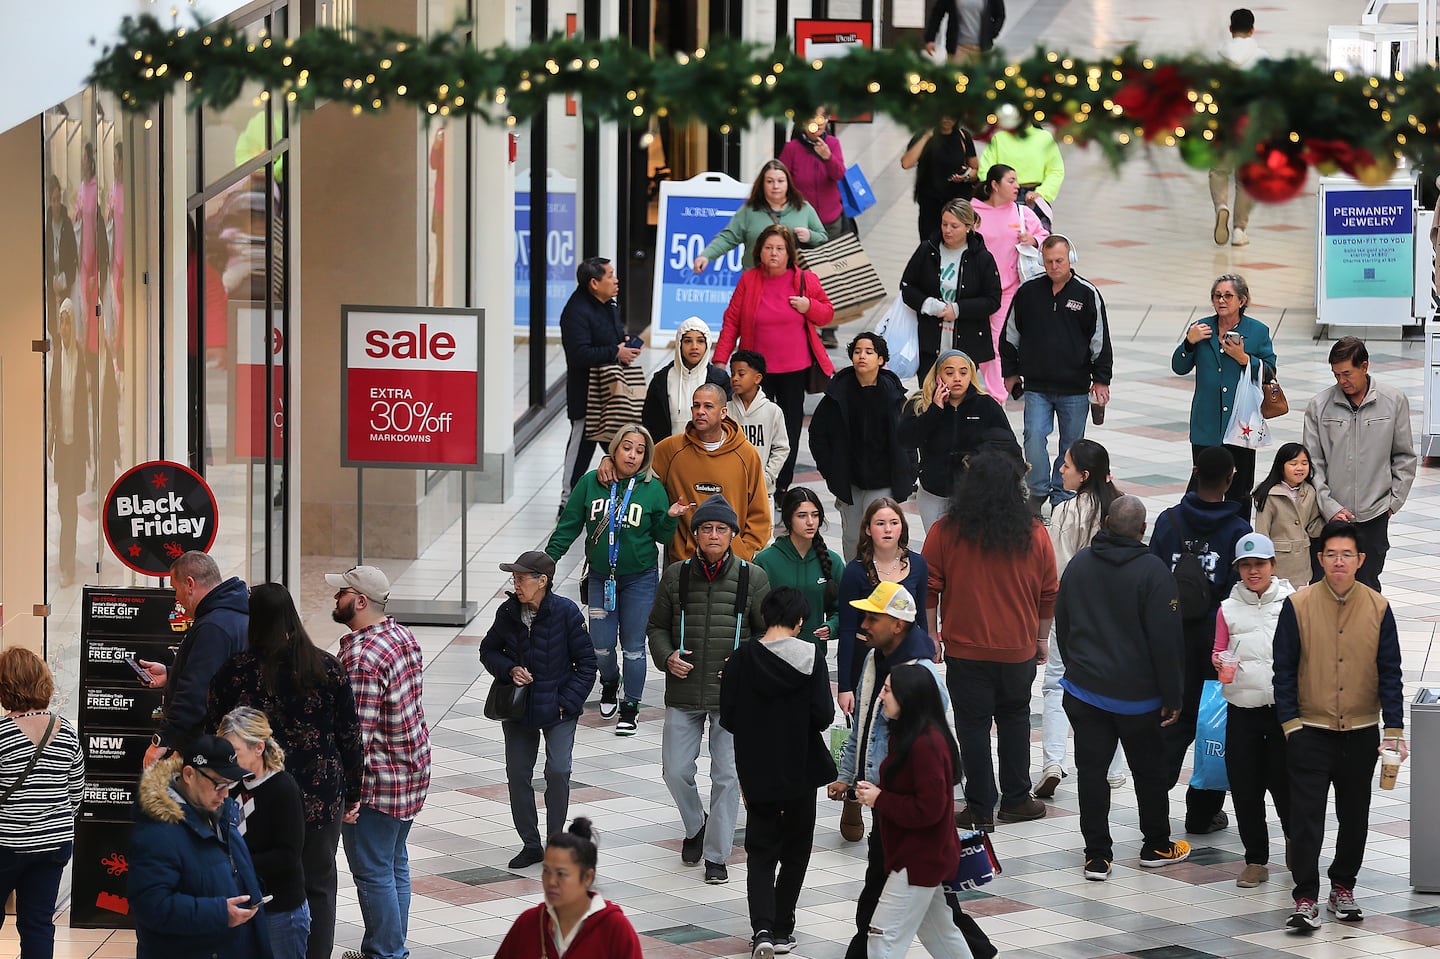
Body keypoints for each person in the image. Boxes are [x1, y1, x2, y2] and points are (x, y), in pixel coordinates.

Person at [829, 584, 994, 959]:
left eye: (873, 617)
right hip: (898, 823)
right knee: (940, 926)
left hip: (910, 835)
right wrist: (849, 775)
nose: (864, 623)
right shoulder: (876, 662)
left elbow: (931, 805)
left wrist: (881, 796)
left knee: (882, 929)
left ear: (899, 625)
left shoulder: (921, 687)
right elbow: (863, 726)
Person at [206, 583, 363, 959]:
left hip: (254, 798)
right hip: (319, 796)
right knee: (319, 884)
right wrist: (354, 793)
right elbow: (350, 737)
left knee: (253, 877)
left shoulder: (235, 672)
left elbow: (214, 732)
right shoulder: (325, 666)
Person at [1274, 521, 1406, 932]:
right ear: (1320, 558)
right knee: (1306, 817)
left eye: (1346, 555)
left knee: (1355, 815)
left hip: (1361, 731)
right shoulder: (1298, 606)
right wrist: (1291, 724)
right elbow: (1283, 670)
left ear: (1360, 560)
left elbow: (1390, 671)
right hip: (1309, 731)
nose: (1338, 562)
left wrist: (1395, 730)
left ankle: (1343, 886)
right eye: (1331, 554)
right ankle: (1306, 896)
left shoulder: (1378, 608)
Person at [1053, 495, 1191, 879]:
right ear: (1142, 530)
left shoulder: (1079, 564)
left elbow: (1062, 623)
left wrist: (1078, 668)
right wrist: (1173, 694)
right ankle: (1156, 845)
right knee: (1149, 772)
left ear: (1108, 523)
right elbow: (1167, 642)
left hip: (1085, 692)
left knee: (1092, 774)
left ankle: (1097, 855)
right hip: (1139, 700)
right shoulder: (1154, 572)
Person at [925, 449, 1057, 829]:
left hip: (965, 649)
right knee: (1015, 720)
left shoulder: (946, 531)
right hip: (1018, 649)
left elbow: (929, 587)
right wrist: (1041, 638)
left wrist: (932, 634)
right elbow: (1049, 591)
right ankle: (1016, 799)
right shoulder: (1034, 533)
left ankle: (980, 807)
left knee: (972, 725)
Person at [647, 495, 771, 885]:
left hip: (732, 697)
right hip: (683, 691)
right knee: (674, 770)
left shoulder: (753, 578)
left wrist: (744, 663)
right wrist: (667, 657)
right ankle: (695, 823)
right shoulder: (675, 575)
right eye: (706, 528)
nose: (713, 535)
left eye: (721, 529)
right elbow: (656, 628)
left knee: (727, 777)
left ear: (733, 535)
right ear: (695, 534)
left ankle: (716, 855)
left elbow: (767, 634)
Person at [719, 587, 837, 959]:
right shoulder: (812, 656)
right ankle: (784, 927)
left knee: (761, 850)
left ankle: (763, 930)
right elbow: (823, 715)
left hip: (758, 770)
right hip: (802, 768)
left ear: (766, 616)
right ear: (800, 621)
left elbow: (730, 718)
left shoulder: (740, 659)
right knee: (797, 849)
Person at [547, 424, 687, 734]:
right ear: (614, 449)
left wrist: (671, 517)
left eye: (640, 451)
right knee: (601, 645)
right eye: (627, 447)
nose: (633, 455)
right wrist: (548, 561)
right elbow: (569, 526)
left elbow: (663, 537)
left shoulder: (652, 488)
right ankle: (610, 682)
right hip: (601, 578)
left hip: (640, 580)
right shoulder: (591, 482)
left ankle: (631, 705)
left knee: (635, 646)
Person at [328, 565, 431, 959]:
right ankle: (391, 948)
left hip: (379, 781)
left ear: (360, 600)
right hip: (411, 771)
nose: (334, 598)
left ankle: (386, 953)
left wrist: (348, 791)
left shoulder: (362, 657)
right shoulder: (401, 635)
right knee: (393, 864)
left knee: (373, 872)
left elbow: (357, 734)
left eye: (341, 593)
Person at [1150, 446, 1253, 835]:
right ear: (1231, 479)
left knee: (1171, 727)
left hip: (1170, 642)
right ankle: (1202, 813)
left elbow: (1153, 579)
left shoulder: (1168, 522)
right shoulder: (1239, 531)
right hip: (1217, 646)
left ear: (1195, 473)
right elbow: (1242, 593)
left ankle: (1155, 815)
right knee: (1213, 727)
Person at [480, 551, 598, 868]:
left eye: (521, 578)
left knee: (558, 772)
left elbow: (587, 665)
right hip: (519, 710)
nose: (516, 584)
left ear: (542, 581)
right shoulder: (507, 613)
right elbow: (488, 651)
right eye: (514, 578)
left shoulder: (567, 613)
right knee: (518, 774)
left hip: (558, 707)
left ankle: (555, 842)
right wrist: (509, 669)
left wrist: (567, 702)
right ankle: (531, 844)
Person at [855, 664, 973, 959]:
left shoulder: (925, 744)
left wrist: (880, 799)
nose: (881, 697)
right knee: (941, 934)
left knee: (883, 936)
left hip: (919, 857)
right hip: (921, 855)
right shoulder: (911, 736)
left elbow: (929, 809)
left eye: (887, 691)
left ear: (908, 697)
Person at [714, 224, 835, 498]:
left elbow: (827, 314)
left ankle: (781, 484)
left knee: (789, 427)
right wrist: (721, 359)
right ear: (759, 251)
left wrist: (809, 306)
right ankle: (752, 476)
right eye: (768, 248)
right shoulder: (749, 279)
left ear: (789, 253)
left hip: (794, 367)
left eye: (780, 248)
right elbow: (732, 319)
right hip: (756, 370)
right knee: (754, 424)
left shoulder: (805, 279)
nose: (774, 253)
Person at [1036, 440, 1127, 800]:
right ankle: (1115, 769)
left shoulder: (1064, 512)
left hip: (1071, 611)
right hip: (1114, 614)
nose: (1061, 470)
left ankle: (1053, 762)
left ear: (1084, 475)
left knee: (1056, 682)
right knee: (1115, 686)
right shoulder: (1122, 507)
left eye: (1067, 466)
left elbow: (1057, 570)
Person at [129, 736, 270, 959]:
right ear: (189, 774)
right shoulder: (158, 830)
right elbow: (151, 906)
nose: (225, 794)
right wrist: (219, 913)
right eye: (219, 784)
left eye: (230, 785)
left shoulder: (220, 815)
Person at [1001, 234, 1112, 515]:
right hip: (1037, 386)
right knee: (1033, 436)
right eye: (1048, 261)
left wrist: (1101, 380)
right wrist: (1010, 372)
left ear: (1070, 259)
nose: (1054, 266)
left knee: (1071, 447)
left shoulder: (1087, 294)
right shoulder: (1028, 292)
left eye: (1059, 260)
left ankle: (1062, 494)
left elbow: (1100, 340)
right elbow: (1010, 334)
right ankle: (1037, 491)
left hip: (1075, 389)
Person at [1211, 533, 1294, 889]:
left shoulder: (1291, 603)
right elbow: (1217, 649)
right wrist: (1219, 661)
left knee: (1287, 785)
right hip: (1241, 710)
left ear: (1273, 566)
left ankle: (1296, 843)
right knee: (1245, 788)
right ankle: (1255, 859)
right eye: (1246, 565)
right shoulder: (1227, 608)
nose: (1253, 571)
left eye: (1259, 564)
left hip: (1283, 711)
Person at [1302, 336, 1416, 592]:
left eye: (1347, 373)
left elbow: (1404, 457)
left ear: (1364, 367)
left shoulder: (1393, 401)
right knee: (1324, 592)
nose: (1342, 381)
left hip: (1374, 516)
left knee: (1367, 591)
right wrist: (1329, 506)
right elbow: (1312, 465)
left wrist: (1392, 503)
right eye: (1336, 375)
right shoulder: (1319, 407)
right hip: (1329, 519)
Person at [0, 648, 84, 959]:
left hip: (6, 842)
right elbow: (76, 793)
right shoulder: (66, 732)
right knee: (38, 923)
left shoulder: (1, 734)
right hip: (54, 841)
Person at [1172, 273, 1277, 522]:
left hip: (1241, 426)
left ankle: (1235, 537)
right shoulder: (1201, 327)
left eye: (1228, 296)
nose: (1222, 300)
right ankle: (1195, 531)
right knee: (1201, 486)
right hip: (1206, 424)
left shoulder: (1257, 331)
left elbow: (1270, 371)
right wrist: (1188, 342)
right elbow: (1178, 366)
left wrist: (1245, 359)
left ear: (1242, 300)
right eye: (1217, 296)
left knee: (1239, 490)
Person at [809, 331, 917, 560]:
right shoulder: (837, 393)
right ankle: (855, 583)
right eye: (857, 351)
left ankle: (885, 582)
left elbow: (908, 438)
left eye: (869, 352)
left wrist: (909, 472)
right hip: (851, 482)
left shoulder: (894, 395)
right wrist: (831, 470)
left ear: (880, 359)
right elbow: (818, 435)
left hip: (884, 480)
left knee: (883, 535)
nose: (862, 356)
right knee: (852, 537)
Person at [141, 550, 251, 764]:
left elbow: (196, 692)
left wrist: (161, 740)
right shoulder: (232, 615)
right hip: (229, 740)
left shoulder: (213, 627)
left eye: (176, 588)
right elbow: (219, 673)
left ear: (190, 584)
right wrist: (172, 674)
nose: (176, 597)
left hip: (210, 748)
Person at [219, 707, 310, 959]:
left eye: (234, 752)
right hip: (241, 903)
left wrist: (236, 865)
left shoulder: (282, 788)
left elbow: (288, 855)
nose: (228, 760)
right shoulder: (231, 785)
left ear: (258, 748)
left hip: (279, 909)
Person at [645, 383, 771, 560]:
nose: (700, 411)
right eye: (696, 405)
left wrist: (744, 550)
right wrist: (609, 461)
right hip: (684, 561)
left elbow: (760, 512)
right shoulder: (670, 449)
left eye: (708, 406)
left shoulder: (746, 454)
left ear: (723, 412)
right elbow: (634, 467)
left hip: (732, 562)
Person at [899, 350, 1017, 532]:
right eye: (949, 372)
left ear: (971, 374)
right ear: (938, 375)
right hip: (933, 492)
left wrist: (975, 458)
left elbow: (1007, 445)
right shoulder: (920, 403)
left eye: (963, 372)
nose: (957, 378)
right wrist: (934, 411)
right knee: (936, 551)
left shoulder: (986, 405)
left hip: (973, 494)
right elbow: (906, 440)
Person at [493, 818, 644, 959]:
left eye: (561, 874)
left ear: (587, 877)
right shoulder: (530, 923)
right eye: (546, 871)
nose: (551, 881)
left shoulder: (614, 928)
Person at [837, 499, 931, 717]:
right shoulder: (854, 571)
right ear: (868, 529)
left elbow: (922, 620)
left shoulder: (918, 564)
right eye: (880, 523)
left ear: (902, 527)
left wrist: (925, 664)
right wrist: (844, 686)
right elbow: (848, 631)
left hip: (907, 658)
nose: (888, 529)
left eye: (894, 522)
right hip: (866, 658)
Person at [559, 256, 639, 511]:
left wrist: (626, 343)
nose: (616, 280)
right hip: (587, 394)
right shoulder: (575, 312)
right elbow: (579, 354)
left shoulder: (608, 305)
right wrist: (615, 352)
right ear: (594, 283)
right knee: (582, 444)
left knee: (617, 441)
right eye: (610, 275)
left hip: (611, 393)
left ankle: (627, 494)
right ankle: (567, 501)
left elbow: (612, 338)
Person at [898, 198, 1003, 381]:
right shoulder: (927, 250)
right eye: (944, 224)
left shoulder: (982, 258)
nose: (947, 230)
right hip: (929, 342)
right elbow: (907, 287)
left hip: (967, 344)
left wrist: (958, 309)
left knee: (960, 403)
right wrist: (929, 305)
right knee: (930, 399)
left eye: (954, 226)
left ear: (968, 227)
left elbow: (993, 300)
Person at [972, 164, 1048, 396]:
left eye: (1017, 181)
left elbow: (1047, 239)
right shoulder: (972, 211)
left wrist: (1033, 239)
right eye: (1011, 181)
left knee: (996, 342)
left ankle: (997, 395)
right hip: (973, 289)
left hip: (1007, 289)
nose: (1017, 186)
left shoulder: (1021, 213)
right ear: (994, 185)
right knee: (969, 340)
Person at [691, 159, 828, 275]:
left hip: (792, 283)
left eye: (780, 181)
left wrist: (810, 236)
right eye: (769, 181)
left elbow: (823, 239)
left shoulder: (803, 208)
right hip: (755, 281)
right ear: (762, 184)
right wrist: (706, 256)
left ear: (788, 184)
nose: (775, 186)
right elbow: (728, 238)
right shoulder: (749, 211)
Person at [755, 488, 844, 654]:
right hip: (772, 656)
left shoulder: (833, 562)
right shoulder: (765, 562)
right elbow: (752, 615)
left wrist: (831, 626)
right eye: (802, 516)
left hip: (813, 656)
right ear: (789, 519)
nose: (810, 522)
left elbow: (844, 608)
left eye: (815, 515)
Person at [1210, 10, 1266, 247]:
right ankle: (1239, 231)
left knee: (1219, 171)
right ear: (1252, 30)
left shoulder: (1217, 57)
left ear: (1230, 29)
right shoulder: (1262, 58)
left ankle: (1221, 206)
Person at [48, 298, 91, 588]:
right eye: (61, 321)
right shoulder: (54, 360)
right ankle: (65, 563)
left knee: (71, 507)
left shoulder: (82, 359)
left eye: (68, 321)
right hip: (61, 448)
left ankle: (69, 564)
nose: (64, 327)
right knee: (64, 506)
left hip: (76, 448)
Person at [642, 316, 731, 442]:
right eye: (688, 341)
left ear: (707, 344)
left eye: (700, 341)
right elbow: (650, 421)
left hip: (709, 453)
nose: (694, 346)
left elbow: (728, 419)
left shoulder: (719, 379)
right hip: (669, 453)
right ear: (679, 344)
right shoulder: (661, 379)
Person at [977, 107, 1065, 228]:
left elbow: (1056, 170)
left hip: (1034, 197)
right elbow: (985, 170)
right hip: (1003, 196)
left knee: (1039, 238)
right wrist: (996, 191)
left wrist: (1042, 193)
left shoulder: (1044, 137)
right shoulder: (999, 137)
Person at [1251, 443, 1324, 588]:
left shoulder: (1309, 491)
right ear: (1281, 466)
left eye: (1305, 463)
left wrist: (1331, 522)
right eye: (1293, 463)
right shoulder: (1270, 494)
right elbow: (1262, 532)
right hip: (1279, 563)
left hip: (1302, 564)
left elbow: (1312, 526)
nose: (1300, 468)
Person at [899, 119, 979, 242]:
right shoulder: (923, 136)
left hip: (957, 204)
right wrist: (926, 136)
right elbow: (906, 163)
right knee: (931, 247)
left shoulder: (963, 137)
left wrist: (966, 176)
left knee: (957, 246)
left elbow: (974, 168)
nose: (947, 119)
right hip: (930, 204)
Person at [726, 350, 790, 499]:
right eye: (732, 373)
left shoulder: (772, 411)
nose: (734, 378)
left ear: (757, 378)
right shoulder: (725, 410)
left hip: (762, 492)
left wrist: (767, 477)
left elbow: (781, 448)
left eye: (741, 374)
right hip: (730, 491)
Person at [778, 107, 848, 238]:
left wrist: (829, 158)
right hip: (801, 223)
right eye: (813, 118)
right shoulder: (791, 149)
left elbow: (839, 174)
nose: (819, 123)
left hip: (831, 222)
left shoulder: (833, 144)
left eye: (823, 118)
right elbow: (781, 181)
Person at [922, 0, 1005, 59]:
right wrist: (930, 39)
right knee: (956, 81)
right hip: (958, 48)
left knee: (981, 82)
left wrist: (992, 33)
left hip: (982, 49)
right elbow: (937, 14)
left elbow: (999, 15)